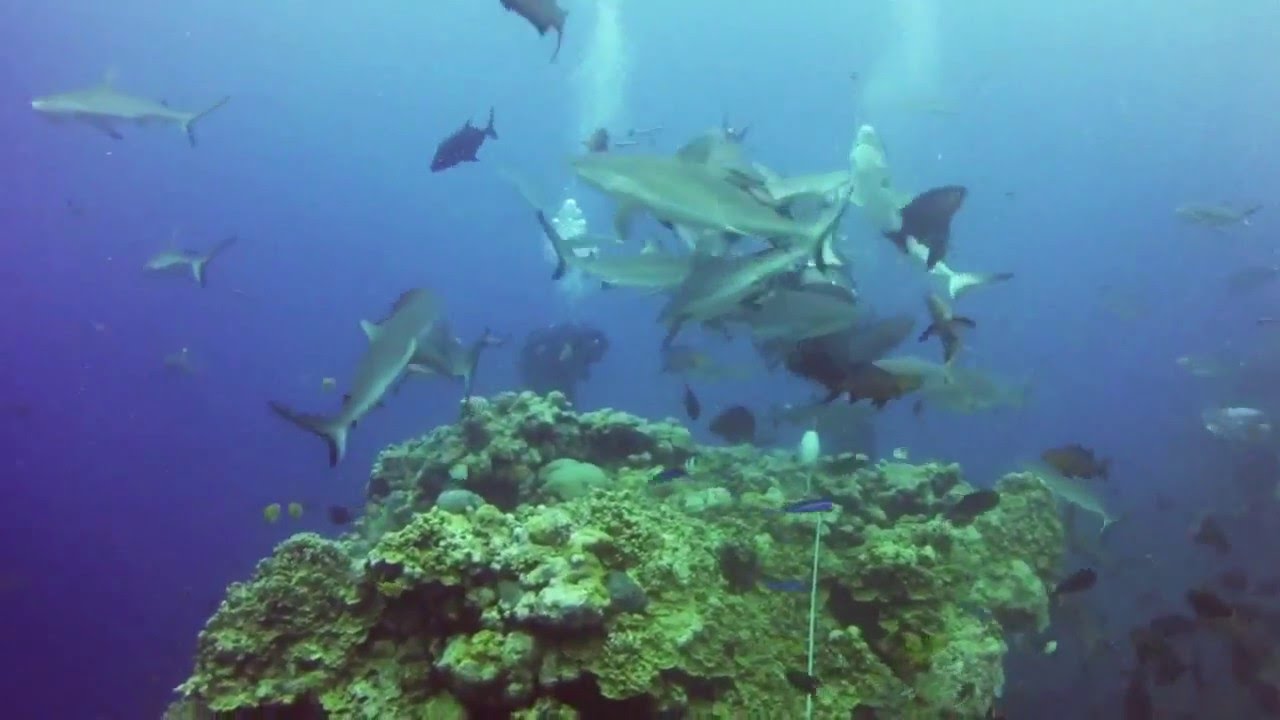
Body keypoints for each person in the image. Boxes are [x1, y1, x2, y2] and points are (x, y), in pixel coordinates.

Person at [518, 322, 610, 404]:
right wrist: (568, 347)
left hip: (549, 375)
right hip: (543, 373)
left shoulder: (581, 351)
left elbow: (581, 374)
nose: (600, 358)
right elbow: (564, 358)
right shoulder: (572, 341)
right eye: (601, 352)